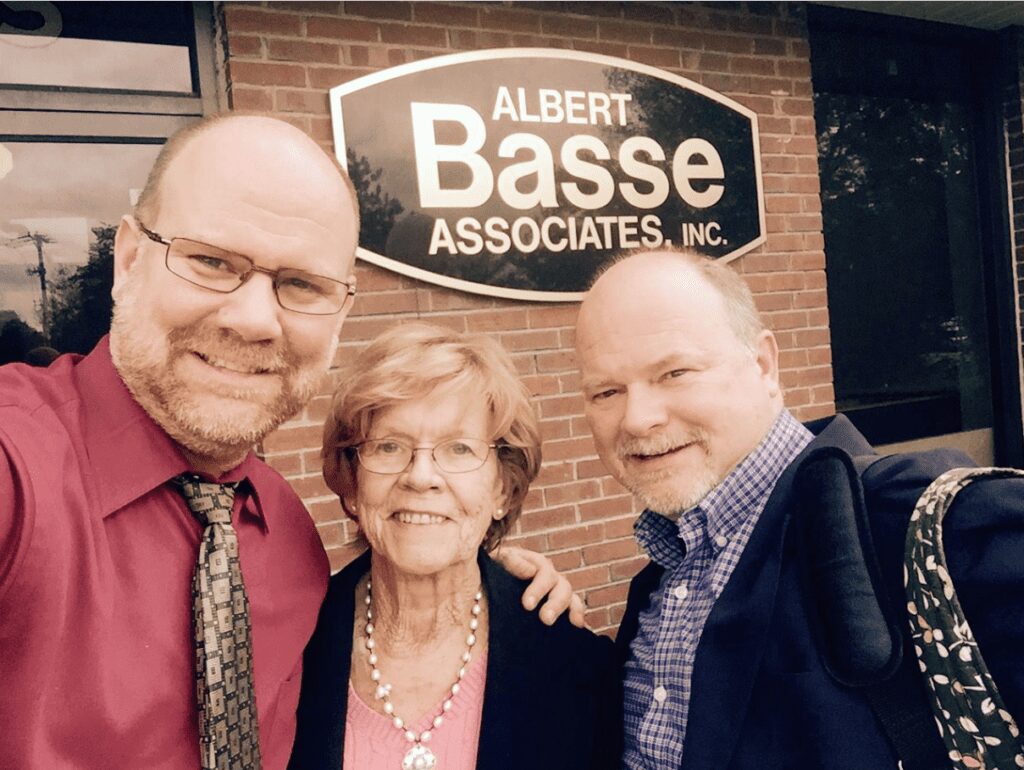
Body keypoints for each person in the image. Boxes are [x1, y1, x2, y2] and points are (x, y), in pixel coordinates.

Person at [0, 114, 574, 770]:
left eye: (301, 285)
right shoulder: (19, 466)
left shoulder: (287, 544)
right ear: (129, 258)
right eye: (212, 261)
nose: (252, 320)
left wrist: (488, 575)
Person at [573, 249, 1024, 769]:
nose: (637, 419)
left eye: (675, 372)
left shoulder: (935, 529)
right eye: (605, 391)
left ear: (763, 364)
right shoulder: (660, 582)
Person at [288, 322, 622, 770]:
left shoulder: (573, 662)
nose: (420, 476)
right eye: (389, 446)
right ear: (352, 482)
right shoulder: (291, 643)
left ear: (502, 489)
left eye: (459, 449)